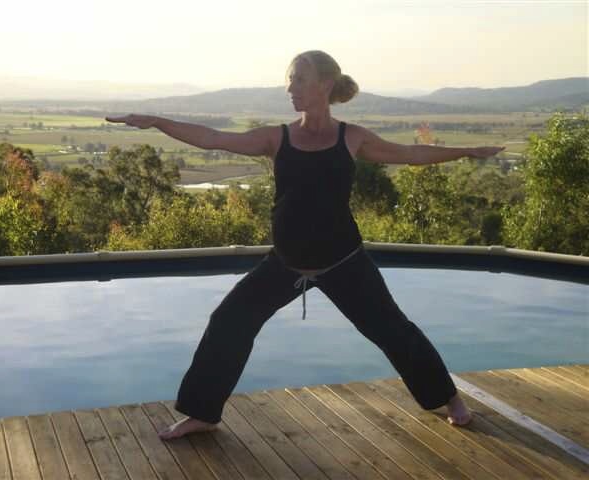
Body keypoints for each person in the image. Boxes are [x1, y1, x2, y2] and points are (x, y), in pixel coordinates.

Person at [107, 50, 505, 440]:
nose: (290, 88)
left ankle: (448, 398)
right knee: (228, 322)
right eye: (290, 80)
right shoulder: (276, 137)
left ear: (325, 85)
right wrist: (157, 122)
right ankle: (203, 414)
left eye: (299, 79)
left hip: (343, 261)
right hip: (286, 262)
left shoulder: (351, 138)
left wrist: (465, 151)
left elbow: (410, 154)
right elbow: (213, 138)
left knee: (393, 330)